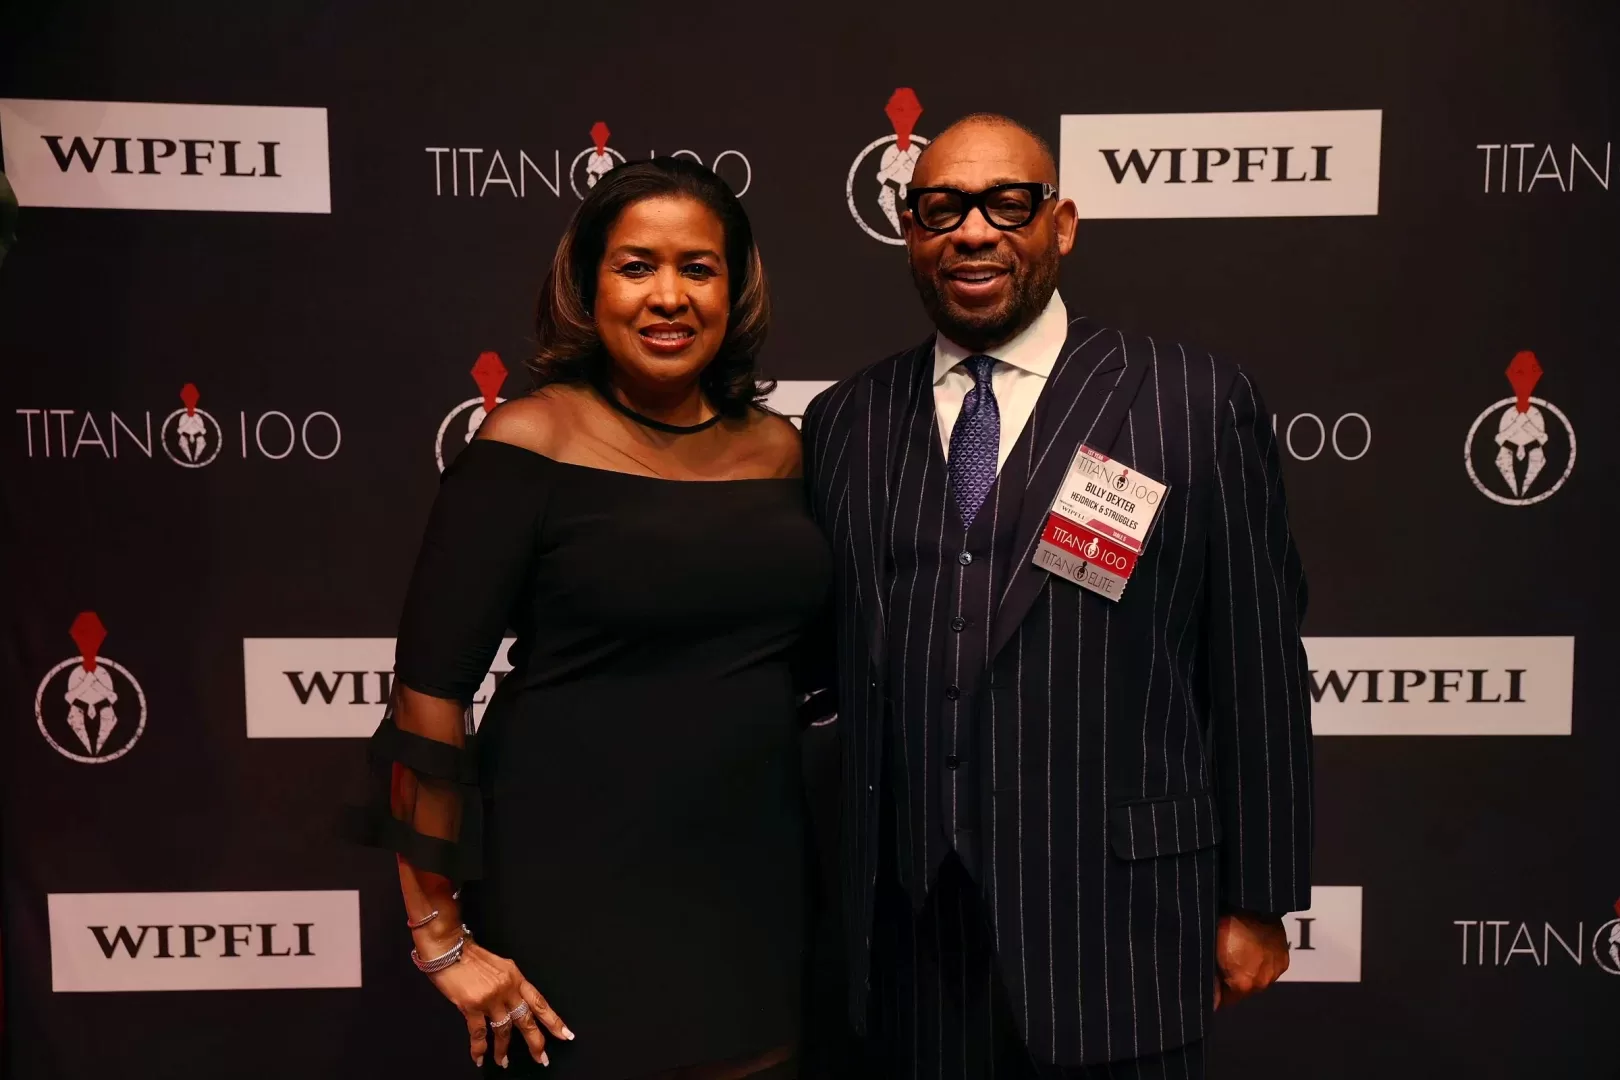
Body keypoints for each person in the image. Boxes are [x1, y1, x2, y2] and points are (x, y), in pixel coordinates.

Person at [798, 114, 1312, 1078]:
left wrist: (1257, 898)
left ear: (1062, 224)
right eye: (942, 209)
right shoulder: (843, 422)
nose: (973, 232)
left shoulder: (1191, 400)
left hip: (1119, 927)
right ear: (909, 231)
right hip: (912, 940)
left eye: (1008, 204)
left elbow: (1258, 664)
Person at [351, 157, 831, 1078]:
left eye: (698, 268)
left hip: (753, 881)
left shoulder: (785, 453)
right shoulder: (528, 442)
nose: (668, 296)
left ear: (735, 290)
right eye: (636, 266)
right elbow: (428, 697)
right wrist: (440, 936)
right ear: (588, 284)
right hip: (570, 879)